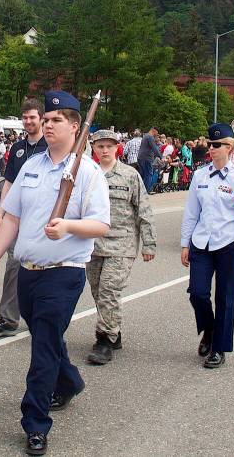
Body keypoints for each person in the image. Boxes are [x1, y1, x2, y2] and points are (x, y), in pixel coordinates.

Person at [0, 91, 110, 456]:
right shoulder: (32, 166)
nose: (49, 124)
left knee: (41, 348)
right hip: (28, 272)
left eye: (56, 120)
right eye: (46, 119)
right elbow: (12, 218)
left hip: (63, 273)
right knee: (47, 339)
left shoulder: (86, 172)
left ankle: (35, 423)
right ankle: (69, 381)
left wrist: (68, 225)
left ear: (74, 126)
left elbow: (101, 224)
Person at [180, 123, 234, 370]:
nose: (211, 149)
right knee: (198, 293)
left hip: (229, 244)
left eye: (217, 145)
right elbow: (191, 212)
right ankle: (209, 330)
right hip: (202, 243)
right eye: (210, 145)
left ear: (230, 147)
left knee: (225, 298)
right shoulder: (200, 175)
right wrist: (185, 243)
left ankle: (218, 348)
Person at [85, 130, 156, 365]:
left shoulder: (129, 175)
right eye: (100, 146)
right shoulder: (88, 174)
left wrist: (149, 243)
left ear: (117, 148)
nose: (104, 150)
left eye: (109, 146)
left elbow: (143, 210)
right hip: (93, 244)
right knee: (97, 291)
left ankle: (104, 339)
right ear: (93, 148)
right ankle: (114, 331)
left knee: (108, 290)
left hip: (121, 244)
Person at [0, 98, 48, 339]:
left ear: (41, 118)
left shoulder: (49, 146)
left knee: (41, 268)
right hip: (16, 216)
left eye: (33, 117)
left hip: (41, 217)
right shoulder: (18, 148)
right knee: (13, 266)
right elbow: (8, 182)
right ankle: (8, 318)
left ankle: (41, 317)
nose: (28, 121)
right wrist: (0, 214)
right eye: (25, 117)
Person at [137, 127, 162, 192]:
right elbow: (155, 148)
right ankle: (146, 191)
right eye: (156, 133)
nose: (156, 135)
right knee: (148, 174)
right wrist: (160, 156)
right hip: (147, 158)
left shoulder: (145, 136)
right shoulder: (150, 137)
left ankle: (141, 191)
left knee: (143, 175)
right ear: (154, 131)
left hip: (141, 157)